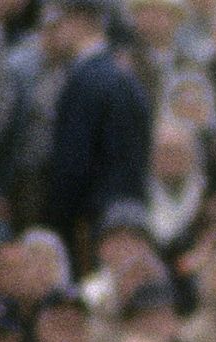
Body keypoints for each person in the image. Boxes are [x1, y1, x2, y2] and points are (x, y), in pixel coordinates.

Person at [42, 0, 151, 260]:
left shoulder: (88, 79)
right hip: (122, 211)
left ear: (79, 21)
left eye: (60, 24)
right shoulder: (120, 75)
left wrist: (60, 217)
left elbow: (73, 161)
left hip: (91, 217)